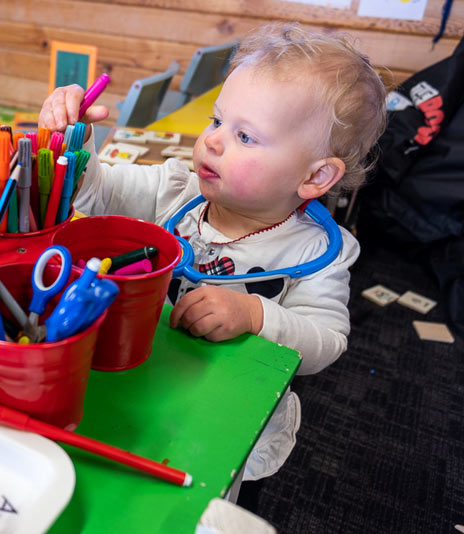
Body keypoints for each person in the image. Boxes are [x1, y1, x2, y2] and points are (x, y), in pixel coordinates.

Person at [38, 22, 387, 498]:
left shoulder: (319, 253)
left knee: (207, 501)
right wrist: (73, 141)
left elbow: (327, 341)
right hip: (151, 385)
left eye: (246, 137)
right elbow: (97, 192)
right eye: (217, 121)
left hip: (231, 417)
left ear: (316, 176)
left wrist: (254, 314)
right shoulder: (175, 191)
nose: (214, 141)